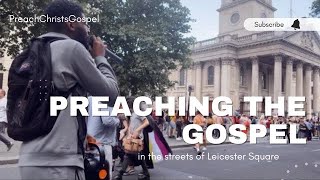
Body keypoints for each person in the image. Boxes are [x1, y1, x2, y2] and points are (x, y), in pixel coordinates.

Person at [18, 1, 119, 179]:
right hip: (59, 163)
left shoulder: (32, 51)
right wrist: (101, 59)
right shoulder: (72, 48)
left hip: (29, 159)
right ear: (71, 24)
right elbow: (110, 94)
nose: (88, 29)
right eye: (85, 23)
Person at [114, 97, 151, 180]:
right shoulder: (132, 114)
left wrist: (137, 130)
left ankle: (120, 174)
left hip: (138, 138)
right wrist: (128, 135)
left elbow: (147, 122)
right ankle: (145, 173)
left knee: (132, 155)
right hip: (132, 138)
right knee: (130, 155)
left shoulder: (138, 113)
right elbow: (131, 125)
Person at [87, 97, 120, 179]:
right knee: (105, 175)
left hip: (90, 140)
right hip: (103, 143)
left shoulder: (90, 98)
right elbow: (108, 120)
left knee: (91, 174)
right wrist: (118, 119)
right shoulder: (106, 98)